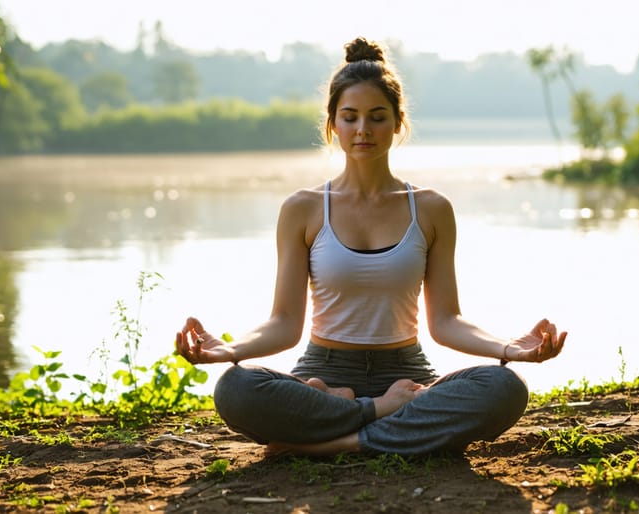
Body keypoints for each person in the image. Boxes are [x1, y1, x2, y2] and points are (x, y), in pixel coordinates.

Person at [175, 37, 566, 457]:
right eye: (350, 117)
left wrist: (508, 348)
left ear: (399, 123)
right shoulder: (303, 209)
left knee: (505, 387)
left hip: (407, 374)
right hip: (322, 375)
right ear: (333, 125)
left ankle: (328, 443)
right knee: (236, 389)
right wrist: (230, 350)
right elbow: (285, 323)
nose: (363, 130)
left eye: (377, 117)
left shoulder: (431, 209)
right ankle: (386, 418)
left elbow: (447, 320)